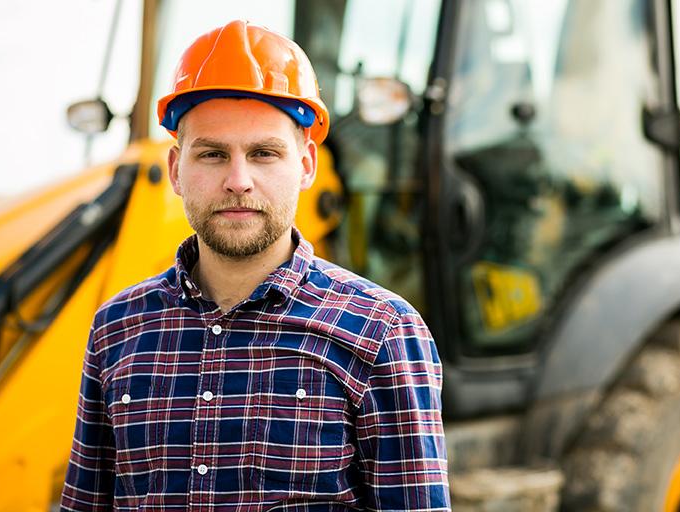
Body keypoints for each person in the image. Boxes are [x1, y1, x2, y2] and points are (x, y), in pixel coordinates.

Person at [61, 19, 449, 511]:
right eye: (213, 154)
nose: (238, 180)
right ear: (177, 169)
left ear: (306, 165)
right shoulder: (118, 329)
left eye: (264, 153)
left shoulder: (382, 333)